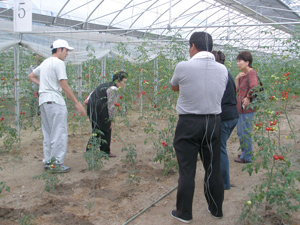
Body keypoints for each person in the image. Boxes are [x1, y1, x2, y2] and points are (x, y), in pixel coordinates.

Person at [170, 32, 228, 223]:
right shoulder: (222, 70)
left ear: (193, 46)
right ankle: (216, 209)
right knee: (213, 168)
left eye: (189, 47)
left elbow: (175, 87)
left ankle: (184, 213)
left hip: (188, 123)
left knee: (187, 170)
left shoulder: (183, 66)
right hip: (213, 122)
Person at [28, 39, 86, 172]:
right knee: (59, 133)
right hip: (55, 101)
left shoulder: (45, 62)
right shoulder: (59, 63)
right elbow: (63, 85)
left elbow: (31, 76)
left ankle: (49, 161)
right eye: (66, 51)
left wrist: (43, 86)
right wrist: (77, 103)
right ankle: (56, 164)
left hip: (43, 101)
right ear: (59, 49)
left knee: (48, 133)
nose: (67, 54)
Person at [84, 71, 128, 157]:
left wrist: (88, 99)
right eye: (124, 82)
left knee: (97, 129)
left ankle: (90, 151)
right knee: (106, 128)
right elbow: (112, 106)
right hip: (100, 109)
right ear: (118, 81)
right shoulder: (114, 89)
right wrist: (111, 120)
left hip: (92, 108)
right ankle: (104, 152)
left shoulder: (107, 84)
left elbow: (94, 91)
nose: (125, 84)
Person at [212, 50, 239, 190]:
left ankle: (223, 183)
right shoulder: (225, 72)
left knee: (219, 149)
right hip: (232, 115)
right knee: (219, 147)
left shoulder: (218, 74)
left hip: (225, 117)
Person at [234, 51, 259, 163]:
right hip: (240, 108)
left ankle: (247, 157)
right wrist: (236, 79)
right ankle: (245, 152)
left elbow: (255, 87)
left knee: (245, 132)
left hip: (247, 109)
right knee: (241, 132)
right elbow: (236, 90)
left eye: (240, 61)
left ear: (247, 62)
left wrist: (248, 97)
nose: (237, 64)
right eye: (237, 61)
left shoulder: (251, 73)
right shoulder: (243, 75)